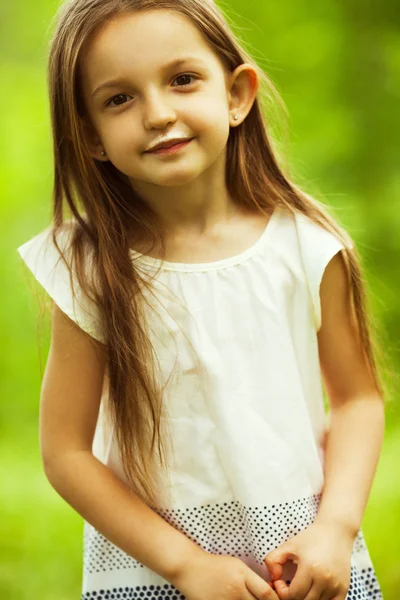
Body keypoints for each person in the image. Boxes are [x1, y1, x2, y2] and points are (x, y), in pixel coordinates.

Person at [17, 1, 386, 599]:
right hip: (154, 567)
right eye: (119, 99)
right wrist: (185, 565)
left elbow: (357, 401)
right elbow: (65, 453)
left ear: (237, 95)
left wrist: (336, 530)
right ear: (89, 137)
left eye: (182, 80)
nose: (158, 114)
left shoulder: (306, 247)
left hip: (300, 560)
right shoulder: (89, 269)